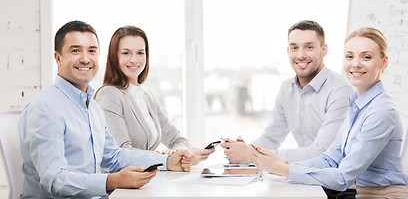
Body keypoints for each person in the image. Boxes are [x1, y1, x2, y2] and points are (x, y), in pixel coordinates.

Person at [18, 21, 192, 198]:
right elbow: (55, 180)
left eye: (92, 51)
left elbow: (113, 156)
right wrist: (112, 181)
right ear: (58, 58)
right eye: (75, 50)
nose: (85, 58)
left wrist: (167, 161)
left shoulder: (91, 107)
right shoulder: (45, 108)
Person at [250, 27, 408, 198]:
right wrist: (286, 164)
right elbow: (330, 159)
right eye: (349, 56)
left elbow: (342, 177)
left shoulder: (381, 111)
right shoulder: (357, 105)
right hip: (362, 193)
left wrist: (283, 169)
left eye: (366, 57)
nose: (355, 63)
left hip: (384, 195)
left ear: (384, 62)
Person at [221, 20, 354, 163]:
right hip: (305, 175)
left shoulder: (341, 91)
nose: (301, 55)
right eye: (294, 48)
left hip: (335, 181)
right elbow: (270, 138)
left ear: (324, 50)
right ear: (288, 51)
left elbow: (323, 152)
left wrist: (253, 156)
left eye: (309, 47)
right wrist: (245, 150)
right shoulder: (286, 89)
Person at [94, 25, 214, 165]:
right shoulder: (109, 95)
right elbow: (122, 153)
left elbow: (177, 139)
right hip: (123, 184)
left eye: (140, 53)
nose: (134, 60)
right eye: (126, 53)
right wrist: (166, 159)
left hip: (147, 181)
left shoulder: (147, 97)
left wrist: (179, 153)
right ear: (114, 57)